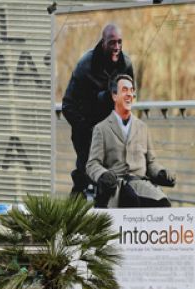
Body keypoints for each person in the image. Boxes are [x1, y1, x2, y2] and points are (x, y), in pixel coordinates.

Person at [62, 23, 135, 196]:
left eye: (119, 42)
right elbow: (67, 104)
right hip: (85, 129)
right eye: (112, 43)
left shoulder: (126, 64)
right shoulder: (85, 66)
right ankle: (74, 216)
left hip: (112, 132)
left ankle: (109, 218)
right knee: (84, 178)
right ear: (103, 42)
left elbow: (129, 102)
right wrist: (86, 129)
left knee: (112, 184)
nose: (116, 47)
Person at [86, 74, 176, 207]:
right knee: (131, 201)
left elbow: (151, 163)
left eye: (131, 90)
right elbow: (92, 164)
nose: (129, 94)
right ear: (114, 96)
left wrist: (161, 172)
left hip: (141, 186)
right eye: (124, 90)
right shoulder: (101, 128)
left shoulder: (143, 127)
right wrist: (103, 174)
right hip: (116, 188)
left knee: (163, 204)